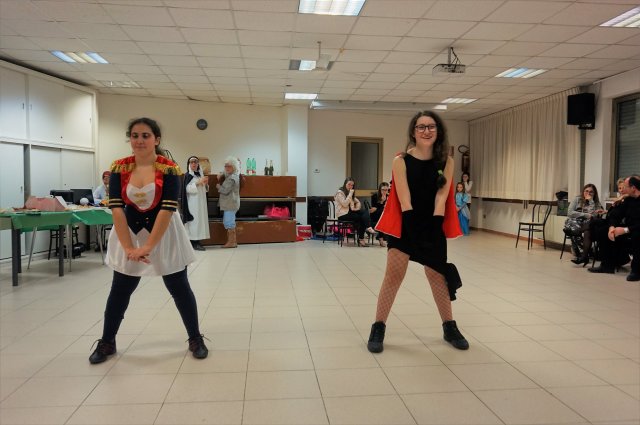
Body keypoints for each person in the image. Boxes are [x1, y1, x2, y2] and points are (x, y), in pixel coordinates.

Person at [89, 117, 208, 364]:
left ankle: (195, 338)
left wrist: (147, 246)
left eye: (145, 135)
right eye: (135, 135)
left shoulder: (170, 169)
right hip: (128, 234)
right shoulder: (119, 168)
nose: (139, 140)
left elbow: (166, 210)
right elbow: (117, 208)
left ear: (156, 139)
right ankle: (107, 342)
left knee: (179, 287)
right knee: (120, 290)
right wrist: (129, 247)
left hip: (164, 234)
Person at [367, 110, 468, 353]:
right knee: (394, 275)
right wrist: (413, 226)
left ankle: (449, 327)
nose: (426, 131)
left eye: (431, 126)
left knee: (437, 276)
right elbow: (404, 197)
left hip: (433, 224)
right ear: (413, 132)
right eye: (421, 127)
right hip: (406, 224)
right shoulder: (401, 160)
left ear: (438, 131)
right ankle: (378, 327)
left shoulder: (447, 161)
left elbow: (443, 194)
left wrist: (435, 224)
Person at [589, 175, 640, 281]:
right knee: (603, 230)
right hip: (629, 228)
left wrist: (625, 230)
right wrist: (612, 227)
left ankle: (636, 270)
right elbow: (614, 215)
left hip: (636, 229)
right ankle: (607, 266)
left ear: (633, 188)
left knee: (637, 235)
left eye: (625, 187)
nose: (623, 189)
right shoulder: (628, 200)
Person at [564, 184, 604, 265]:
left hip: (587, 224)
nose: (588, 193)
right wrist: (585, 215)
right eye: (586, 191)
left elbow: (594, 216)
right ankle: (587, 252)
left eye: (591, 192)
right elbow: (570, 213)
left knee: (586, 230)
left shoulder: (596, 203)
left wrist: (591, 202)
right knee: (576, 225)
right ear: (583, 191)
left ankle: (583, 255)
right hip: (575, 221)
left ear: (594, 193)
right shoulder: (577, 199)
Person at [335, 178, 376, 247]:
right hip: (342, 214)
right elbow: (345, 204)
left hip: (349, 212)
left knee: (364, 212)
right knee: (362, 218)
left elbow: (358, 202)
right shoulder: (340, 193)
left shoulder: (349, 192)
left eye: (352, 185)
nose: (350, 186)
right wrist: (350, 193)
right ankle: (362, 238)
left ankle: (368, 227)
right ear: (345, 184)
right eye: (349, 184)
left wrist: (356, 208)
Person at [182, 156, 210, 251]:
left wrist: (206, 184)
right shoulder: (188, 175)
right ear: (189, 164)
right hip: (192, 204)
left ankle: (198, 241)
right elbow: (186, 189)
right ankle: (193, 242)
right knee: (194, 222)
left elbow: (205, 190)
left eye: (195, 162)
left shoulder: (200, 175)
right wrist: (198, 183)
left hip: (200, 203)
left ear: (198, 164)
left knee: (199, 221)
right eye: (192, 162)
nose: (194, 164)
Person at [216, 156, 240, 248]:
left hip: (230, 204)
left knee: (229, 222)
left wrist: (218, 186)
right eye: (225, 166)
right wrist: (221, 174)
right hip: (230, 203)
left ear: (234, 167)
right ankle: (233, 242)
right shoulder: (232, 175)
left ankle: (232, 242)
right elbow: (225, 173)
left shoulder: (232, 178)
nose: (226, 168)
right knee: (229, 222)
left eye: (229, 166)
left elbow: (225, 190)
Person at [369, 182, 389, 247]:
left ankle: (381, 237)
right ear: (380, 189)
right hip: (375, 215)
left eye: (386, 190)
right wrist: (382, 202)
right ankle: (381, 238)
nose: (384, 191)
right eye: (383, 190)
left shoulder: (388, 196)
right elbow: (374, 208)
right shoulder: (374, 196)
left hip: (384, 215)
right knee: (383, 215)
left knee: (384, 216)